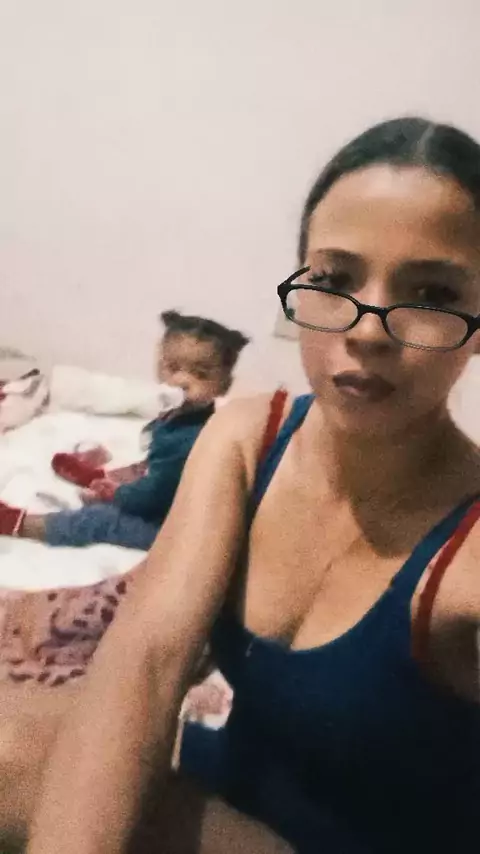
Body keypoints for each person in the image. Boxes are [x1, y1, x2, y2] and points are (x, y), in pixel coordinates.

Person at [24, 116, 480, 853]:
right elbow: (147, 660)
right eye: (333, 280)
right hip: (238, 794)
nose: (367, 331)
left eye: (431, 292)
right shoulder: (248, 436)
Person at [0, 311, 250, 551]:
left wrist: (118, 496)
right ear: (160, 366)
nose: (181, 382)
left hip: (172, 528)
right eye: (173, 368)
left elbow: (155, 496)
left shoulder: (191, 437)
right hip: (167, 492)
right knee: (143, 471)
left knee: (100, 520)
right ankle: (99, 477)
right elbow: (158, 467)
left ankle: (20, 523)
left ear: (224, 385)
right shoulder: (181, 416)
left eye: (200, 374)